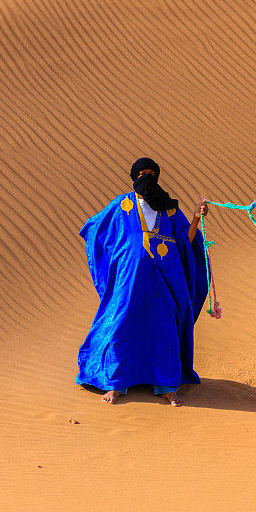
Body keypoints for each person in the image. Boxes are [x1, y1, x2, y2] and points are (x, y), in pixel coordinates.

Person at [77, 157, 209, 406]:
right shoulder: (122, 204)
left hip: (165, 278)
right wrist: (117, 251)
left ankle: (166, 386)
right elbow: (95, 227)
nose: (146, 177)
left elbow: (185, 240)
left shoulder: (169, 207)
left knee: (165, 327)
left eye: (151, 173)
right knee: (123, 324)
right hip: (130, 277)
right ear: (134, 177)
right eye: (141, 173)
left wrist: (194, 217)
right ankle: (116, 384)